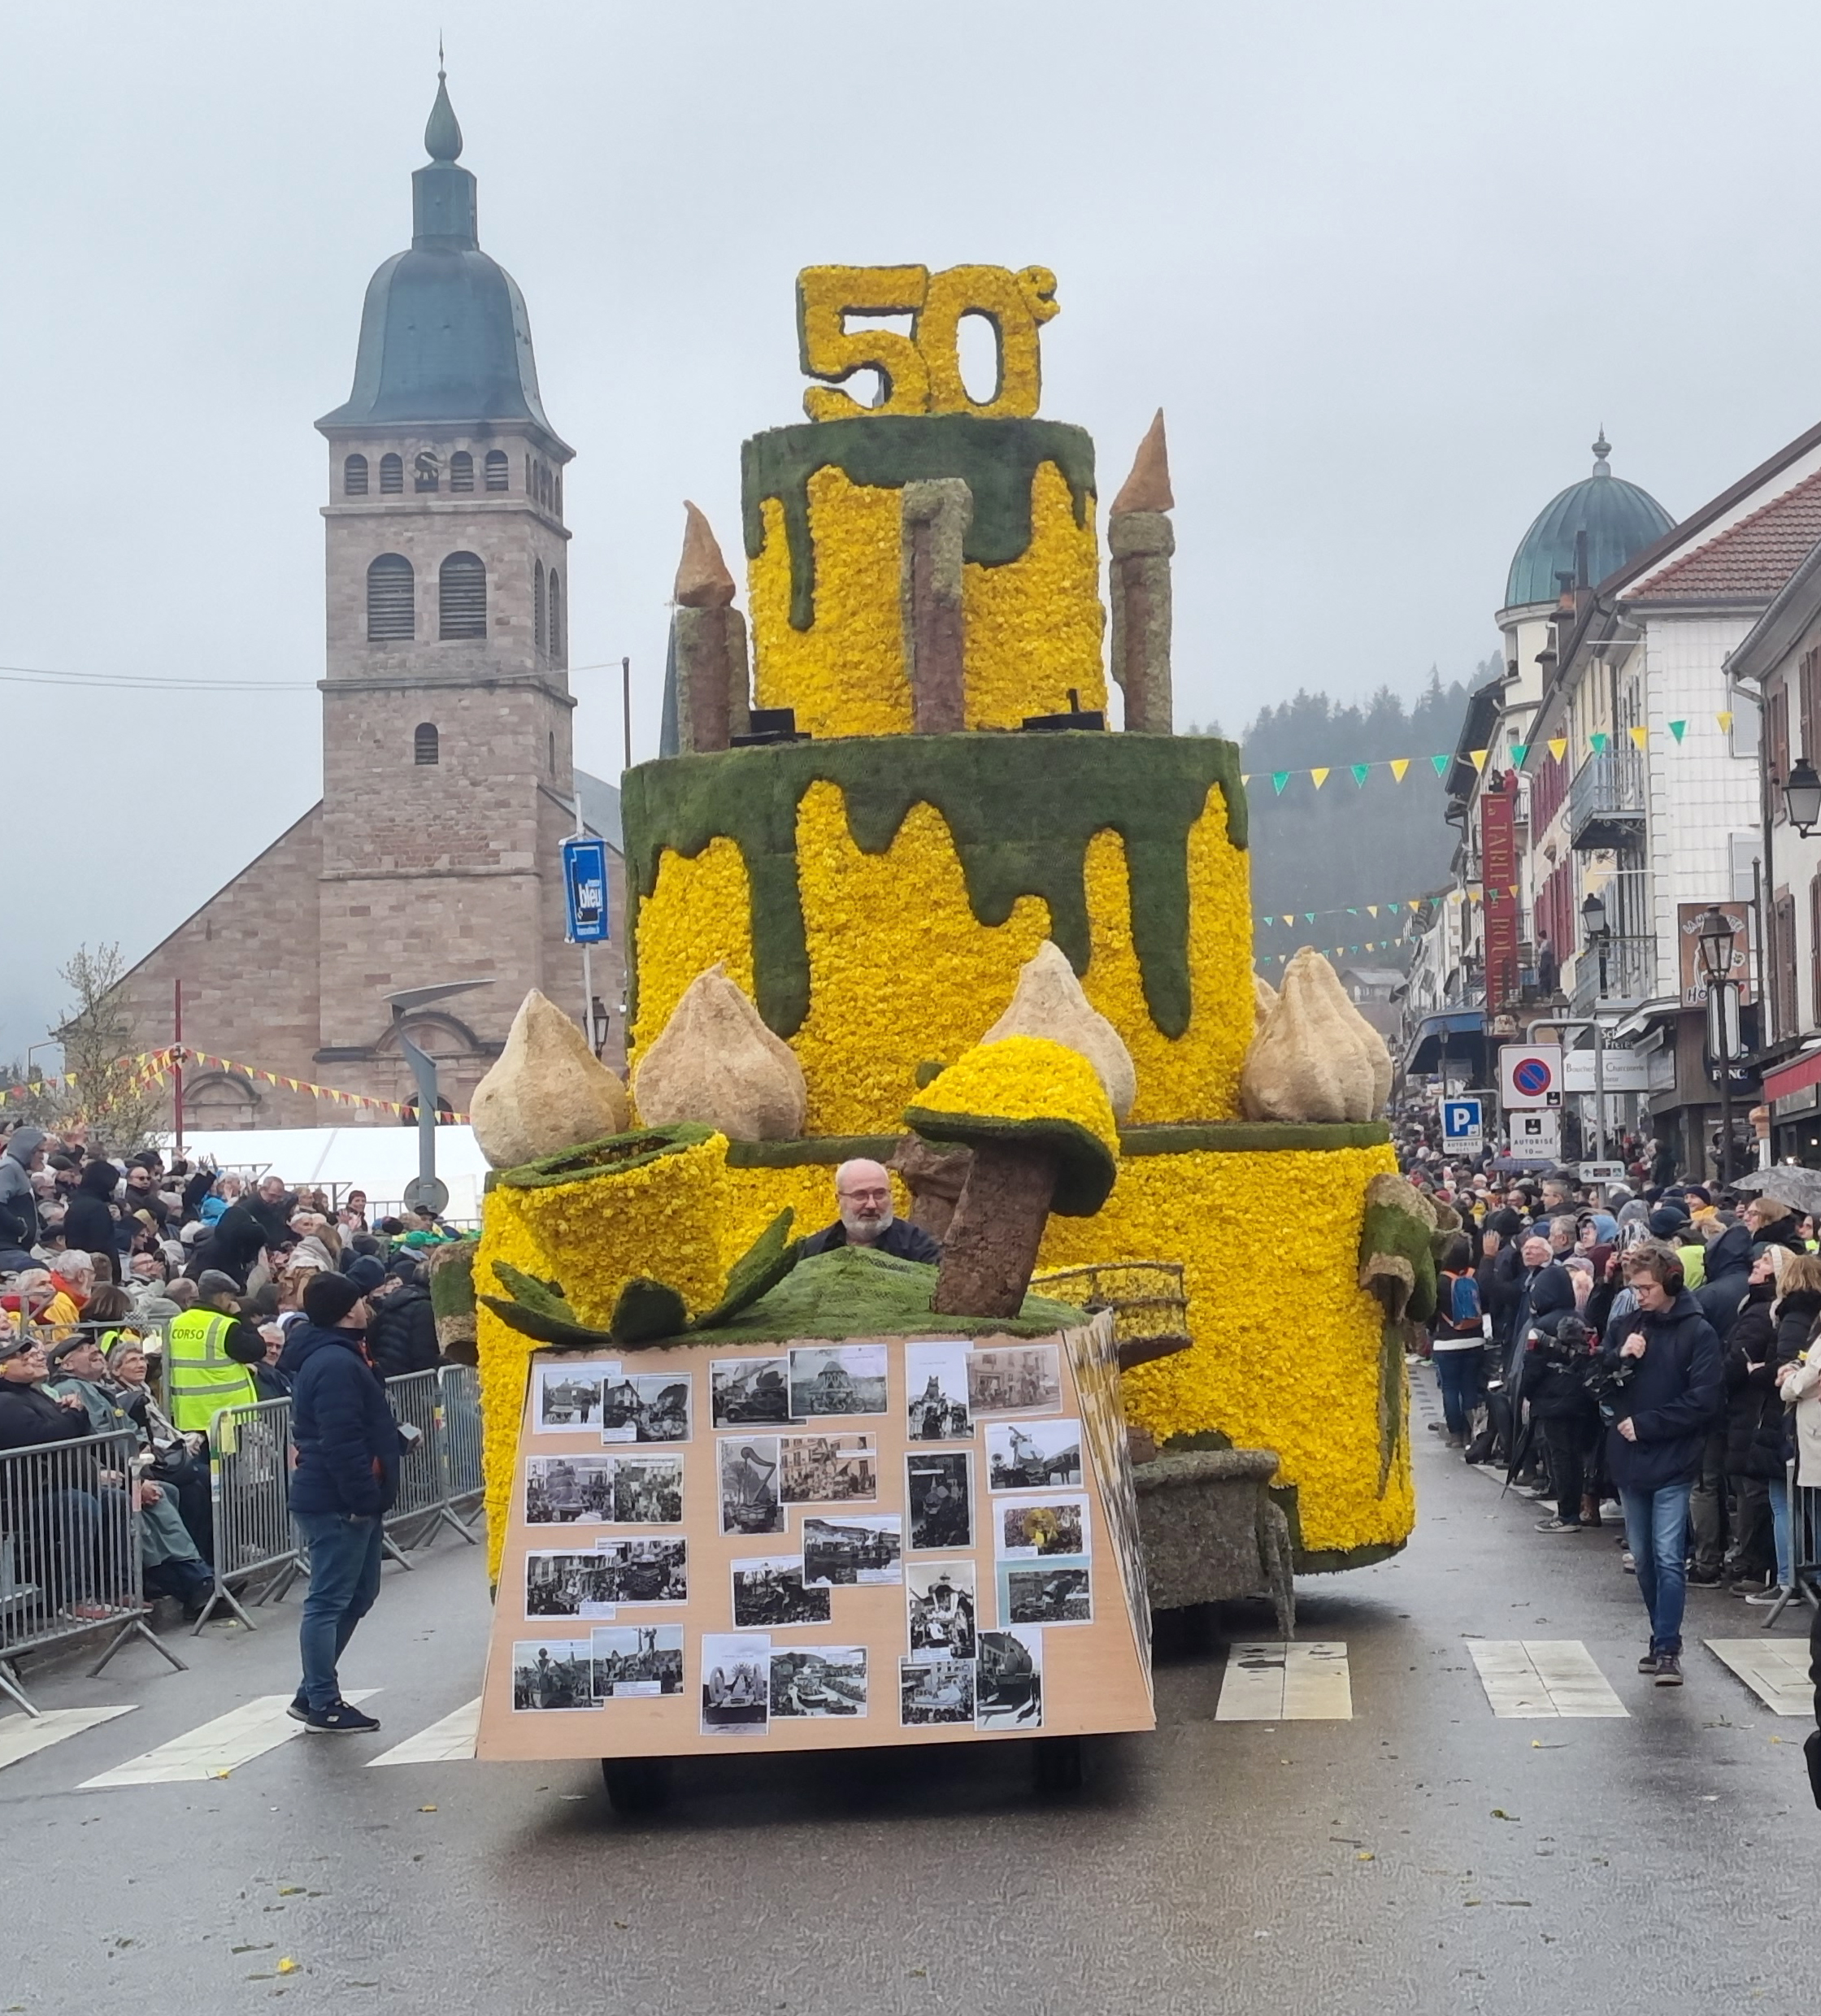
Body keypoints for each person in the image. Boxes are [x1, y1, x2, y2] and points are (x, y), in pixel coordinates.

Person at [278, 1271, 403, 1734]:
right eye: (361, 1300)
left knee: (358, 1594)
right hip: (338, 1499)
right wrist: (361, 1496)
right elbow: (340, 1438)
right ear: (349, 1309)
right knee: (329, 1601)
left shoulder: (343, 1356)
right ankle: (323, 1703)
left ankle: (312, 1692)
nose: (368, 1307)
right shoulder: (335, 1362)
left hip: (347, 1494)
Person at [1600, 1242, 1724, 1685]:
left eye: (1647, 1287)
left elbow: (1705, 1400)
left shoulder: (1699, 1332)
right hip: (1630, 1459)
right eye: (1634, 1288)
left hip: (1673, 1457)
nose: (1640, 1296)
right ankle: (1660, 1636)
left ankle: (1668, 1646)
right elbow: (1597, 1383)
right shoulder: (1625, 1325)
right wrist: (1620, 1358)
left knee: (1669, 1556)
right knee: (1644, 1557)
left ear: (1670, 1281)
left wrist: (1648, 1424)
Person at [46, 1331, 214, 1618]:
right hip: (103, 1476)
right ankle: (196, 1585)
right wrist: (133, 1478)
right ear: (66, 1365)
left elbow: (123, 1435)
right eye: (84, 1349)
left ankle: (197, 1582)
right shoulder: (69, 1390)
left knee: (167, 1493)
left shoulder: (98, 1387)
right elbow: (94, 1442)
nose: (95, 1351)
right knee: (144, 1502)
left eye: (92, 1345)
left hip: (123, 1470)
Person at [798, 1159, 941, 1262]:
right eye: (860, 1195)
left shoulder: (917, 1246)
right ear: (839, 1199)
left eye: (880, 1194)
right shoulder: (816, 1249)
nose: (871, 1205)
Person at [1430, 1233, 1485, 1448]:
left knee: (1450, 1388)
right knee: (1470, 1387)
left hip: (1446, 1341)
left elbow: (1430, 1313)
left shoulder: (1440, 1281)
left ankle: (1455, 1435)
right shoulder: (1475, 1276)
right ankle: (1472, 1432)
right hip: (1475, 1339)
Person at [365, 1260, 440, 1379]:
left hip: (385, 1371)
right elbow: (423, 1352)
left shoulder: (397, 1298)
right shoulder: (424, 1307)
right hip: (408, 1379)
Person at [0, 1127, 47, 1269]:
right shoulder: (9, 1168)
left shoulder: (17, 1169)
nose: (42, 1156)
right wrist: (22, 1230)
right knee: (40, 1273)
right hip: (7, 1249)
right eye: (40, 1151)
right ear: (27, 1149)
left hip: (16, 1247)